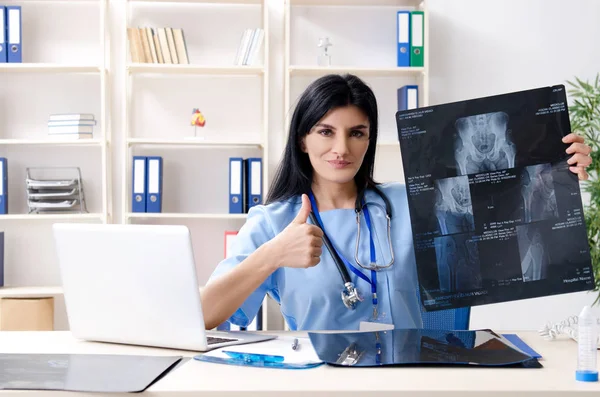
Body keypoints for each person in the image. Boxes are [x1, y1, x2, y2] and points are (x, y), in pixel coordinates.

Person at [200, 74, 593, 331]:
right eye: (325, 132)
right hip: (321, 385)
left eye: (357, 133)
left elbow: (509, 213)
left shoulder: (411, 202)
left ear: (369, 140)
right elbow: (201, 316)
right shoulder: (272, 224)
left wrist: (556, 170)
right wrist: (271, 255)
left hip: (414, 380)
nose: (341, 148)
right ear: (302, 140)